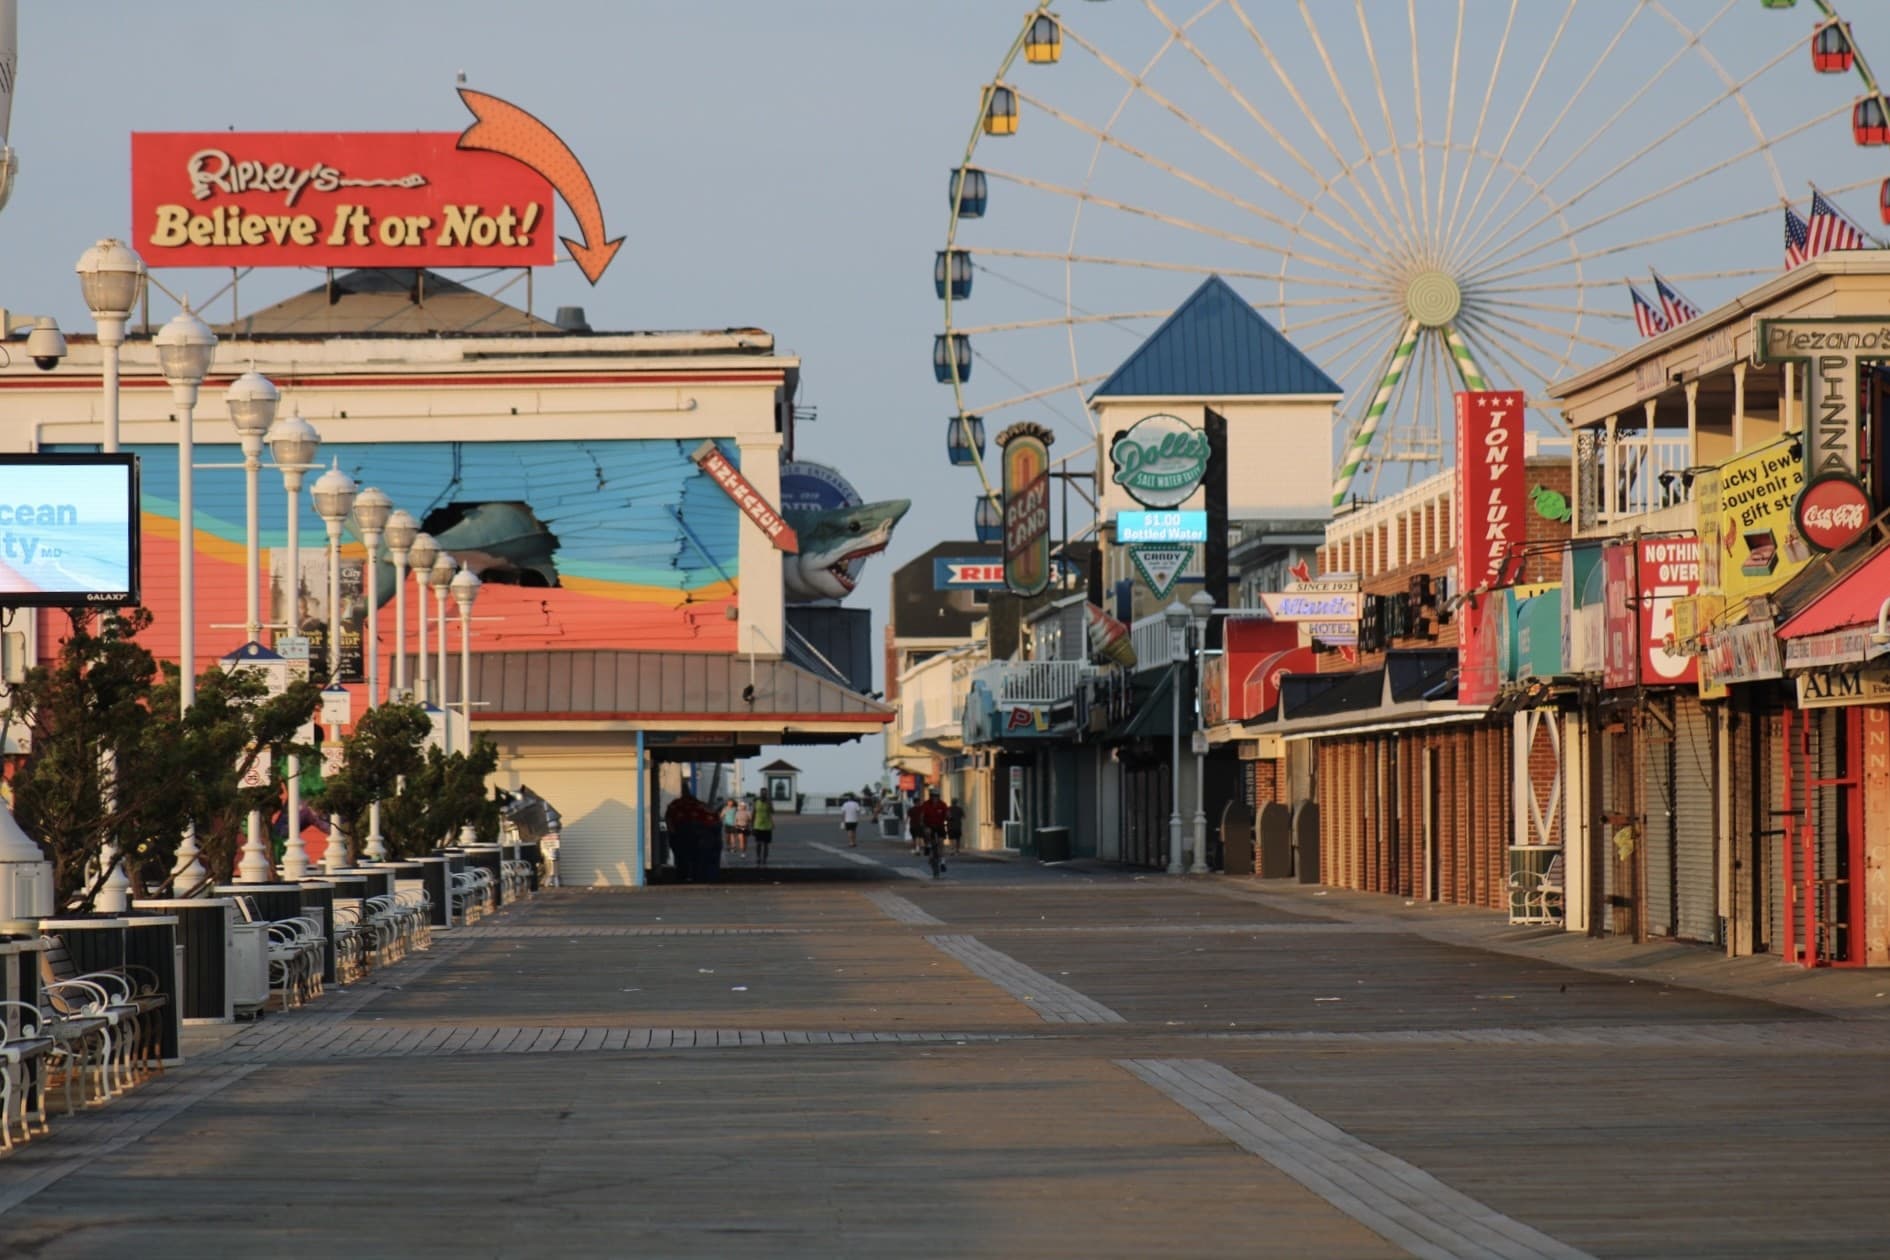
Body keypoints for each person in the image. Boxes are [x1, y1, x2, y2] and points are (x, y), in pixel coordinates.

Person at [918, 789, 952, 877]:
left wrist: (949, 817)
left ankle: (943, 862)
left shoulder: (942, 804)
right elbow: (922, 815)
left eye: (936, 796)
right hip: (929, 825)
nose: (935, 798)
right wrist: (922, 822)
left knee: (941, 844)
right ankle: (928, 845)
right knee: (927, 831)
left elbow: (947, 813)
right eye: (933, 796)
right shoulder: (926, 804)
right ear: (930, 796)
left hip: (940, 826)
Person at [751, 793, 774, 868]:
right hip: (758, 825)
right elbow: (753, 814)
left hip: (767, 826)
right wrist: (752, 825)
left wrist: (770, 803)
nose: (763, 796)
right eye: (762, 793)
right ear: (760, 795)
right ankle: (758, 857)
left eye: (765, 794)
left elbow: (772, 812)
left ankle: (764, 858)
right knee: (758, 843)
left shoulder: (768, 803)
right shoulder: (756, 803)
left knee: (766, 844)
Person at [733, 794, 754, 859]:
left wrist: (751, 827)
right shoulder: (737, 812)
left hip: (746, 827)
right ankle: (742, 852)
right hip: (739, 827)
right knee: (741, 840)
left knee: (745, 840)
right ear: (739, 806)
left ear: (745, 806)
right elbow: (735, 820)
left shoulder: (748, 812)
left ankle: (744, 851)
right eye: (741, 806)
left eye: (743, 806)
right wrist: (735, 825)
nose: (742, 807)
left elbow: (750, 820)